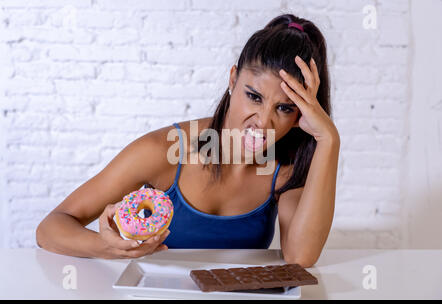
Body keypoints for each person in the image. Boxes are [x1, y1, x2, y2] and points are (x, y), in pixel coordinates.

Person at [36, 13, 340, 267]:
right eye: (254, 96)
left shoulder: (285, 166)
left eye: (285, 108)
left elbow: (300, 257)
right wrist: (107, 247)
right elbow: (51, 227)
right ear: (233, 79)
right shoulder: (164, 151)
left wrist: (328, 139)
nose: (263, 121)